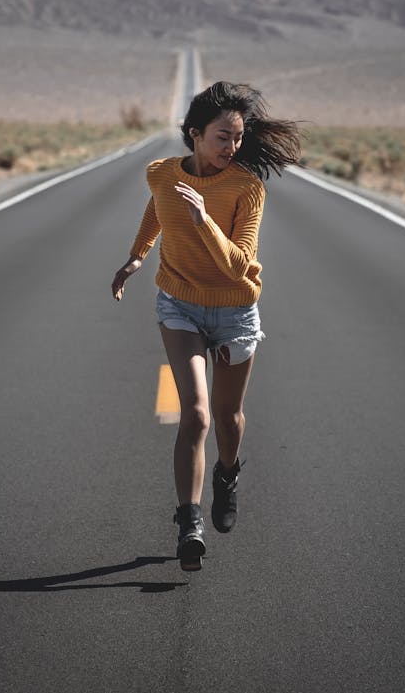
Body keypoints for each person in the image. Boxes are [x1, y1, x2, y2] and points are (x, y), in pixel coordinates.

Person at [111, 81, 301, 571]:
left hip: (236, 311)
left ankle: (228, 474)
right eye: (222, 137)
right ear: (194, 134)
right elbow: (159, 209)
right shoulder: (161, 174)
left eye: (237, 139)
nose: (231, 148)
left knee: (228, 418)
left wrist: (204, 220)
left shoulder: (246, 188)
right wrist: (135, 259)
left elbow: (239, 264)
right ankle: (189, 523)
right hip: (180, 306)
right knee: (194, 415)